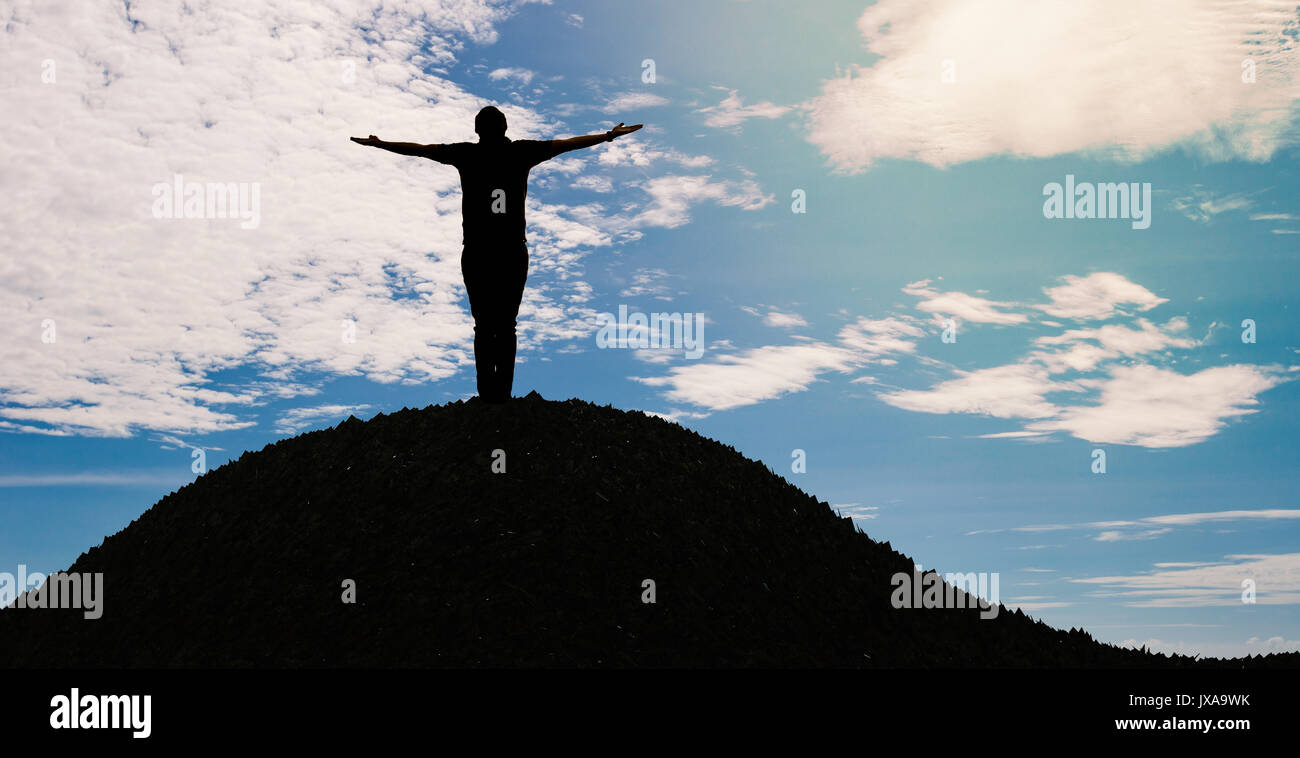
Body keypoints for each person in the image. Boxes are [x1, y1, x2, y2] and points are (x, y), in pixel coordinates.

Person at [352, 107, 642, 403]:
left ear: (477, 130)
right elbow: (568, 144)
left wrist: (381, 143)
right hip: (511, 251)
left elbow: (421, 150)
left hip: (478, 252)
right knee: (505, 325)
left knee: (484, 325)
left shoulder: (466, 154)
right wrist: (607, 136)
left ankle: (488, 396)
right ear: (505, 127)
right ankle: (500, 396)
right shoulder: (521, 152)